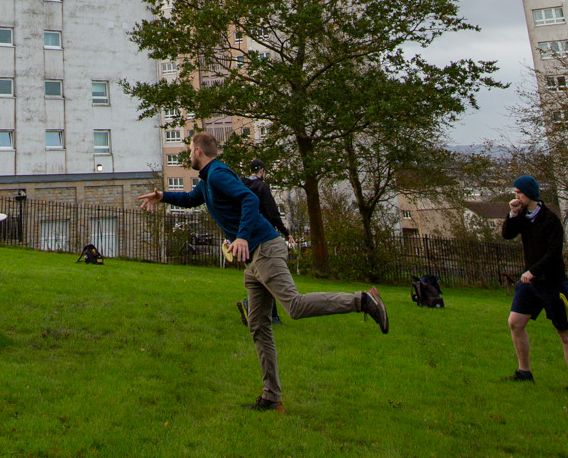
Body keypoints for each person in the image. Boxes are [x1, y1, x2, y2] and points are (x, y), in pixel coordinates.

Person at [141, 130, 388, 412]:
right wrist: (163, 196)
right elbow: (191, 198)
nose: (188, 155)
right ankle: (271, 397)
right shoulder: (209, 180)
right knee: (258, 325)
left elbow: (250, 199)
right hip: (254, 261)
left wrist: (242, 236)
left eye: (189, 150)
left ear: (198, 151)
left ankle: (363, 301)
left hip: (264, 249)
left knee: (294, 306)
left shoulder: (219, 175)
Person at [501, 176, 568, 393]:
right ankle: (524, 372)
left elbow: (554, 253)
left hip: (553, 283)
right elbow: (507, 234)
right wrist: (513, 213)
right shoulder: (523, 217)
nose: (516, 197)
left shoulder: (550, 220)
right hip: (530, 284)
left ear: (530, 194)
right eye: (515, 193)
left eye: (520, 193)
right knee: (515, 322)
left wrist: (533, 271)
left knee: (564, 333)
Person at [236, 160, 289, 329]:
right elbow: (273, 213)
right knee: (269, 275)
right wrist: (286, 233)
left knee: (258, 274)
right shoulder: (262, 188)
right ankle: (258, 309)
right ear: (262, 172)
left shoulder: (241, 184)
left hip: (246, 236)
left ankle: (261, 311)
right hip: (264, 235)